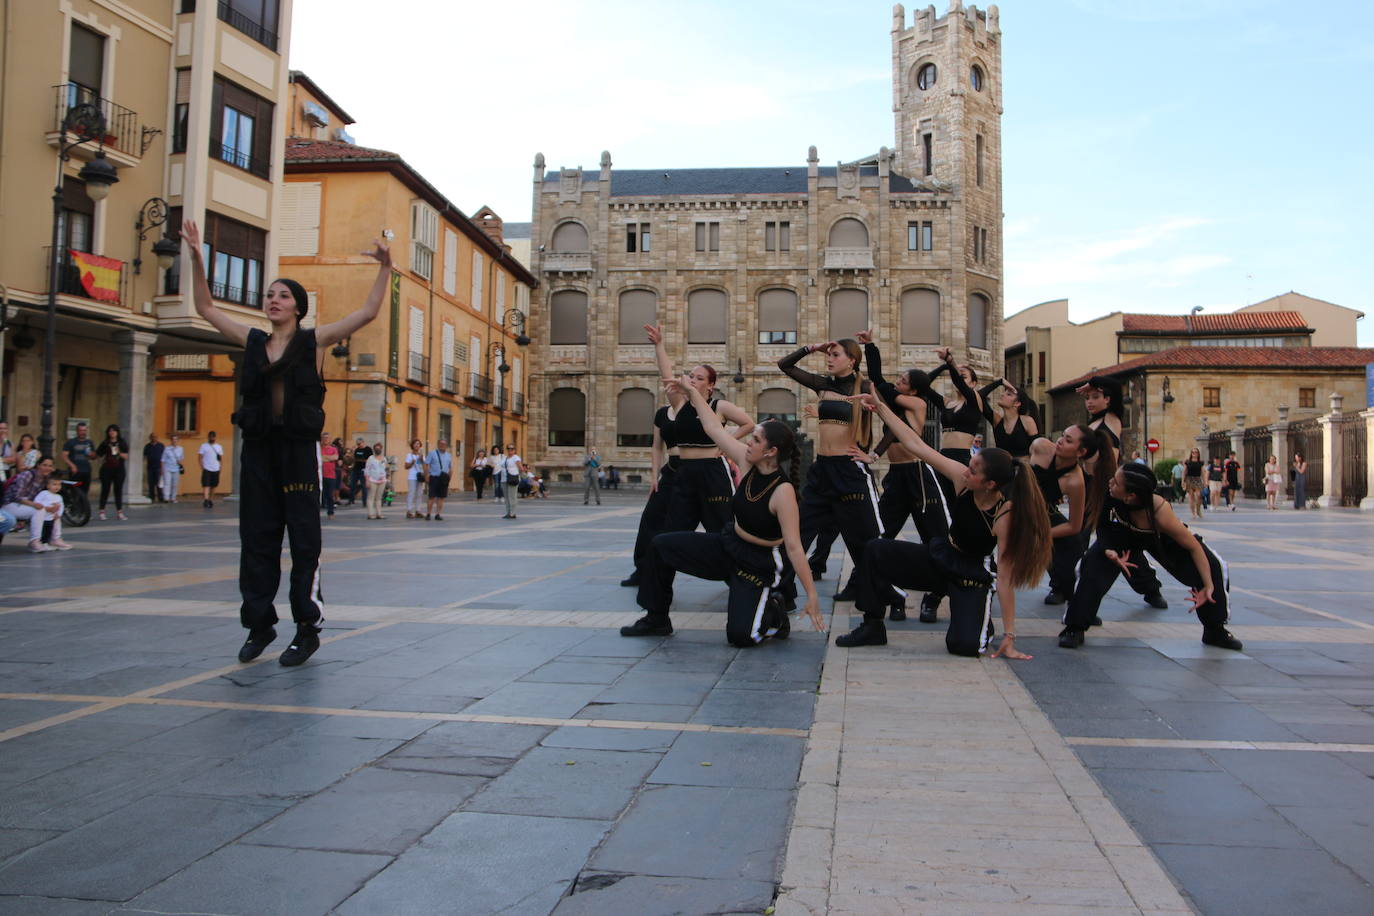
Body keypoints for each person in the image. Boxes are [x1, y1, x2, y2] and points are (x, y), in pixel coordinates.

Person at [181, 217, 390, 667]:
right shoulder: (253, 340)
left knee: (304, 544)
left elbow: (368, 312)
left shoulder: (314, 343)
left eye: (282, 295)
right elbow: (206, 308)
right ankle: (259, 625)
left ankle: (306, 629)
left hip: (298, 453)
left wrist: (386, 268)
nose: (273, 300)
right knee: (256, 540)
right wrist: (197, 258)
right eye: (270, 294)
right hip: (258, 452)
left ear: (297, 307)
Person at [838, 392, 1050, 657]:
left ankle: (978, 618)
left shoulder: (1005, 513)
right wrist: (881, 408)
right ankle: (872, 626)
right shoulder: (963, 481)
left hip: (971, 574)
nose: (965, 470)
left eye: (973, 470)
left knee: (964, 646)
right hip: (943, 556)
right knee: (874, 550)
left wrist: (1010, 635)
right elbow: (916, 445)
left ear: (990, 484)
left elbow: (1005, 577)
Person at [622, 375, 824, 645]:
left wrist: (811, 595)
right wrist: (693, 392)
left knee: (741, 636)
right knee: (660, 545)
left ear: (770, 451)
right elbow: (713, 428)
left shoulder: (783, 491)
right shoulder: (746, 460)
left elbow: (795, 547)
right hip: (728, 544)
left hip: (757, 563)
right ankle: (656, 618)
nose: (748, 442)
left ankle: (774, 613)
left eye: (756, 439)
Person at [1058, 463, 1243, 652]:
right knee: (1092, 567)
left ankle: (1215, 630)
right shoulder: (1110, 493)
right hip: (1120, 535)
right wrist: (1108, 549)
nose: (1110, 482)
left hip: (1160, 538)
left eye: (1116, 482)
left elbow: (1194, 548)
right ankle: (1074, 628)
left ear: (1131, 496)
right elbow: (1102, 526)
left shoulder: (1161, 512)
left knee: (1213, 566)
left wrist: (1208, 585)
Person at [778, 336, 884, 604]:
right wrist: (812, 347)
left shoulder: (865, 386)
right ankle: (784, 592)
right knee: (797, 533)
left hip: (849, 471)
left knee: (863, 539)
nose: (830, 358)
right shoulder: (823, 385)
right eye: (829, 354)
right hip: (821, 471)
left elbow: (894, 424)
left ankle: (883, 595)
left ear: (852, 360)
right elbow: (785, 365)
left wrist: (872, 455)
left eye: (836, 355)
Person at [857, 332, 948, 622]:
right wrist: (869, 346)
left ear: (915, 390)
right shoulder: (896, 407)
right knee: (878, 536)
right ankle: (893, 596)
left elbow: (881, 387)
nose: (899, 383)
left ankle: (935, 596)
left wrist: (874, 365)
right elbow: (889, 427)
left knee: (935, 539)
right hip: (897, 478)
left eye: (904, 381)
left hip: (919, 476)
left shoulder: (918, 405)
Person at [649, 323, 754, 539]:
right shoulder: (680, 404)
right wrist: (659, 345)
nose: (693, 380)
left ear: (710, 385)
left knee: (721, 527)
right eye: (691, 376)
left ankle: (732, 571)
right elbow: (666, 374)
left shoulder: (719, 406)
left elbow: (749, 424)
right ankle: (659, 573)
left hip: (712, 472)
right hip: (684, 471)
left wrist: (727, 445)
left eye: (699, 378)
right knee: (672, 533)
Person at [1076, 375, 1167, 609]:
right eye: (1087, 398)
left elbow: (1116, 385)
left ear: (1108, 400)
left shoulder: (1112, 419)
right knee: (1078, 538)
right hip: (1088, 485)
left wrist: (1093, 381)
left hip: (1110, 487)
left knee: (1121, 544)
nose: (1090, 401)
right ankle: (1066, 590)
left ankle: (1150, 588)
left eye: (1095, 396)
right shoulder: (1090, 426)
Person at [1034, 425, 1112, 607]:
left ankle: (1074, 598)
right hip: (1010, 506)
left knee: (1074, 546)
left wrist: (1043, 534)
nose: (1060, 441)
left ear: (1081, 451)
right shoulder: (1041, 447)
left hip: (1039, 513)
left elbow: (1074, 526)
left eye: (1069, 440)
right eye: (1062, 435)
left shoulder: (1076, 481)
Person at [622, 403, 683, 588]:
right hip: (671, 470)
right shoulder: (662, 413)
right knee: (650, 520)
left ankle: (735, 574)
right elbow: (657, 447)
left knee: (716, 523)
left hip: (697, 471)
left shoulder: (698, 410)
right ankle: (642, 570)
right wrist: (654, 476)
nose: (669, 386)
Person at [2, 456, 61, 553]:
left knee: (53, 512)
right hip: (10, 504)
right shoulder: (27, 475)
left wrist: (51, 507)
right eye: (44, 465)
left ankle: (53, 539)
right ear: (38, 465)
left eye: (50, 466)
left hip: (26, 505)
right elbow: (17, 496)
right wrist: (34, 505)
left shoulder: (46, 479)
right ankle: (35, 542)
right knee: (39, 510)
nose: (47, 468)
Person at [979, 380, 1040, 458]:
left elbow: (1037, 449)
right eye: (1004, 392)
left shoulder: (1027, 421)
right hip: (1003, 468)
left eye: (1008, 394)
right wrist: (1000, 382)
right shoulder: (997, 420)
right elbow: (979, 396)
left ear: (1017, 403)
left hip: (1023, 468)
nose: (1002, 395)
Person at [95, 424, 128, 521]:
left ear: (117, 432)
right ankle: (102, 512)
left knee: (118, 490)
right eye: (110, 431)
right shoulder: (105, 443)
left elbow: (126, 456)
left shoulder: (122, 443)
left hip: (119, 469)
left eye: (114, 431)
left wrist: (119, 453)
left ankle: (120, 512)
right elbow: (98, 454)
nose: (112, 432)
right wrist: (100, 460)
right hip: (107, 469)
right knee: (105, 490)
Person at [32, 476, 73, 549]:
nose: (57, 487)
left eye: (59, 485)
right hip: (43, 517)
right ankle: (41, 542)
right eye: (54, 484)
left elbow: (61, 506)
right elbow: (37, 502)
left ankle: (55, 539)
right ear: (48, 486)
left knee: (50, 529)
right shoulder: (44, 493)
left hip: (52, 517)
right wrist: (46, 507)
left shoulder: (59, 497)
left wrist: (59, 514)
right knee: (43, 530)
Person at [61, 421, 95, 493]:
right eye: (81, 430)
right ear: (77, 431)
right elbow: (64, 456)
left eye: (84, 430)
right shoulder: (71, 442)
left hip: (86, 470)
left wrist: (92, 455)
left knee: (84, 491)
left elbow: (94, 457)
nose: (83, 432)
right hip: (75, 471)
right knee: (75, 491)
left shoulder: (89, 442)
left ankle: (82, 504)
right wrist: (72, 466)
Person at [425, 439, 453, 520]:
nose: (442, 446)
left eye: (444, 444)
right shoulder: (432, 453)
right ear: (438, 444)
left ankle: (438, 514)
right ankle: (428, 514)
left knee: (441, 497)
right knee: (432, 496)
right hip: (434, 477)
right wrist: (427, 475)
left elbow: (450, 467)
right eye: (441, 444)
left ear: (446, 446)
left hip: (444, 478)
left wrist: (449, 478)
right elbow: (426, 464)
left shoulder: (448, 455)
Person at [497, 443, 526, 519]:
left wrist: (523, 475)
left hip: (512, 478)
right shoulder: (505, 458)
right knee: (506, 497)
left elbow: (521, 468)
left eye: (512, 449)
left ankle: (513, 513)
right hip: (504, 479)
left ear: (514, 450)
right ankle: (508, 512)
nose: (510, 450)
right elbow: (500, 465)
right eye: (509, 449)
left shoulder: (516, 458)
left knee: (512, 497)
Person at [199, 431, 223, 508]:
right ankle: (206, 500)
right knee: (206, 485)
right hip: (207, 468)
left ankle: (210, 499)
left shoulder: (219, 447)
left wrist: (220, 467)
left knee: (213, 485)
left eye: (213, 436)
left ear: (215, 437)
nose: (212, 438)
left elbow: (220, 459)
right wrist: (202, 466)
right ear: (208, 437)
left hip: (216, 468)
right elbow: (200, 457)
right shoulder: (203, 446)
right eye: (210, 436)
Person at [365, 442, 388, 519]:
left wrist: (386, 477)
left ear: (381, 449)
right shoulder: (370, 458)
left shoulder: (384, 458)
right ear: (374, 449)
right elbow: (367, 470)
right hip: (372, 479)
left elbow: (385, 468)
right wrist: (367, 480)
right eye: (376, 448)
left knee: (379, 497)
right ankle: (370, 513)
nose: (378, 449)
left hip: (382, 480)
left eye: (379, 448)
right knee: (371, 497)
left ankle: (379, 513)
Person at [406, 439, 428, 517]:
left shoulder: (422, 456)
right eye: (415, 444)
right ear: (412, 445)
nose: (417, 445)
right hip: (412, 476)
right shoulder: (409, 455)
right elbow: (406, 466)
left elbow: (425, 466)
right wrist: (412, 462)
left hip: (420, 476)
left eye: (418, 444)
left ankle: (418, 510)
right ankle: (409, 511)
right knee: (411, 493)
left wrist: (426, 476)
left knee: (419, 494)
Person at [320, 433, 339, 518]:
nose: (326, 440)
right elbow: (318, 458)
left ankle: (330, 513)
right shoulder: (319, 448)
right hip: (320, 475)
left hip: (331, 475)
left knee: (330, 495)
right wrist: (328, 458)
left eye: (327, 438)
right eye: (324, 438)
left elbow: (335, 457)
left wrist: (324, 458)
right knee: (320, 495)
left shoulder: (333, 449)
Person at [162, 434, 185, 504]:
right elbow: (163, 459)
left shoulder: (181, 449)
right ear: (171, 440)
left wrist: (179, 461)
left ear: (178, 440)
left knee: (175, 484)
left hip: (176, 468)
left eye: (176, 439)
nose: (174, 441)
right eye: (173, 439)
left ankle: (173, 498)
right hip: (167, 468)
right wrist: (162, 469)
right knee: (167, 483)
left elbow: (181, 458)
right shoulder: (167, 449)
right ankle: (166, 497)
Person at [143, 433, 166, 502]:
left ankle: (160, 497)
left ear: (157, 438)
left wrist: (163, 468)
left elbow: (164, 457)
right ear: (150, 438)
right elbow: (144, 456)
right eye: (152, 437)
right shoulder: (147, 446)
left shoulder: (161, 446)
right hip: (150, 467)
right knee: (151, 483)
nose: (154, 438)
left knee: (159, 483)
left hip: (159, 467)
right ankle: (152, 497)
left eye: (155, 437)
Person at [349, 436, 371, 506]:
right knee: (352, 485)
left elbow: (369, 459)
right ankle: (351, 500)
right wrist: (352, 452)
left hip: (363, 469)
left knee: (363, 486)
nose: (358, 445)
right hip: (356, 469)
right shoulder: (357, 450)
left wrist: (361, 460)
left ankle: (365, 502)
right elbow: (354, 458)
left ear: (363, 442)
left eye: (359, 444)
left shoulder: (368, 449)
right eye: (357, 444)